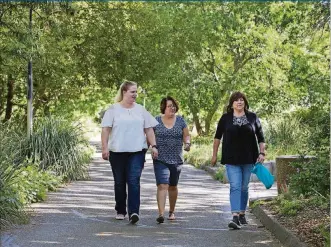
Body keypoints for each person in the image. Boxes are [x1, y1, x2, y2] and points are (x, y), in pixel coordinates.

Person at [101, 81, 159, 224]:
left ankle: (134, 212)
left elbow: (149, 129)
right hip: (117, 151)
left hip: (137, 151)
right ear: (124, 92)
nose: (135, 94)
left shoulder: (141, 110)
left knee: (133, 180)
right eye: (132, 92)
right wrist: (104, 147)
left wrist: (154, 146)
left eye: (136, 92)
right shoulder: (113, 110)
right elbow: (105, 130)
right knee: (120, 182)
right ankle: (121, 210)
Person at [211, 91, 265, 230]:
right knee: (235, 186)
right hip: (231, 158)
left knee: (243, 187)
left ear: (245, 103)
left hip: (249, 158)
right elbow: (217, 137)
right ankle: (234, 216)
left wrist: (262, 153)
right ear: (232, 104)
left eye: (242, 100)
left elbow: (260, 137)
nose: (239, 102)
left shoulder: (252, 117)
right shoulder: (225, 118)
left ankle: (242, 213)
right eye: (236, 100)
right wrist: (214, 154)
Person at [153, 96, 191, 224]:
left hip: (176, 159)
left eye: (173, 106)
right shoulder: (156, 120)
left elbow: (186, 135)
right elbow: (149, 135)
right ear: (164, 107)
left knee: (173, 186)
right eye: (169, 106)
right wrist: (152, 147)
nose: (172, 108)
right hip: (160, 158)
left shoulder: (180, 121)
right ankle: (161, 213)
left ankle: (172, 211)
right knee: (162, 185)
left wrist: (187, 143)